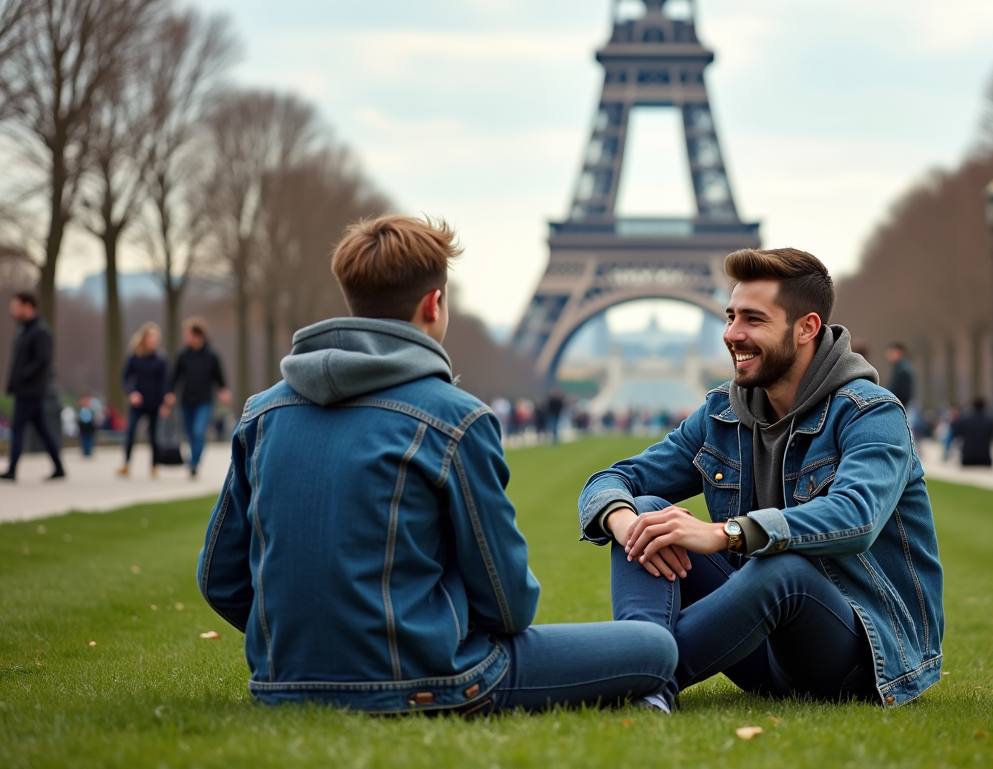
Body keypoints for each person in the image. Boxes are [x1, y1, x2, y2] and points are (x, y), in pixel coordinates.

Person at [197, 215, 676, 715]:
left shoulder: (261, 412)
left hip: (283, 681)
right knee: (654, 647)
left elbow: (220, 579)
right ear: (433, 303)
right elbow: (508, 605)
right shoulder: (456, 416)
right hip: (429, 678)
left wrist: (312, 647)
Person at [577, 248, 943, 710]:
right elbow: (614, 479)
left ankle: (624, 676)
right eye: (730, 317)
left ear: (806, 327)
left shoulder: (871, 413)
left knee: (783, 567)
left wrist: (726, 534)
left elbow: (857, 516)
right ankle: (645, 685)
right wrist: (624, 522)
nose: (732, 333)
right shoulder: (720, 413)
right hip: (760, 648)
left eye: (753, 319)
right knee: (650, 515)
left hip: (857, 655)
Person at [1, 291, 66, 481]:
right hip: (24, 388)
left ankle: (12, 469)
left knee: (18, 428)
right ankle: (59, 467)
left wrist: (22, 376)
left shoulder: (40, 331)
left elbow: (42, 360)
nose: (11, 310)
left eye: (15, 306)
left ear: (28, 306)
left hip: (31, 390)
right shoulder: (23, 329)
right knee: (42, 429)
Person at [165, 317, 231, 478]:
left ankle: (194, 463)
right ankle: (193, 459)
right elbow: (175, 377)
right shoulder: (183, 356)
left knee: (198, 431)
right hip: (186, 401)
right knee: (188, 433)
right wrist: (171, 393)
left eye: (187, 334)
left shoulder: (212, 355)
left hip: (205, 401)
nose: (184, 337)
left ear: (197, 335)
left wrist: (223, 390)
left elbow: (219, 376)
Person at [119, 322, 169, 478]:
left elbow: (165, 382)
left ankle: (154, 466)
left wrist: (165, 403)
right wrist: (131, 393)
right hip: (138, 403)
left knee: (154, 436)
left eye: (156, 338)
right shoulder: (135, 357)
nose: (154, 341)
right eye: (151, 337)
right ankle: (126, 464)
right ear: (144, 338)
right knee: (131, 431)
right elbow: (125, 378)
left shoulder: (161, 359)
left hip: (155, 403)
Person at [950, 397, 993, 467]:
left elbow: (955, 430)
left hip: (968, 458)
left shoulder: (965, 421)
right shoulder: (990, 422)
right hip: (985, 459)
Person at [885, 342, 916, 410]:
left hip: (900, 405)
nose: (889, 356)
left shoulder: (903, 369)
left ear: (899, 352)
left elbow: (901, 393)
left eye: (891, 353)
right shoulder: (899, 368)